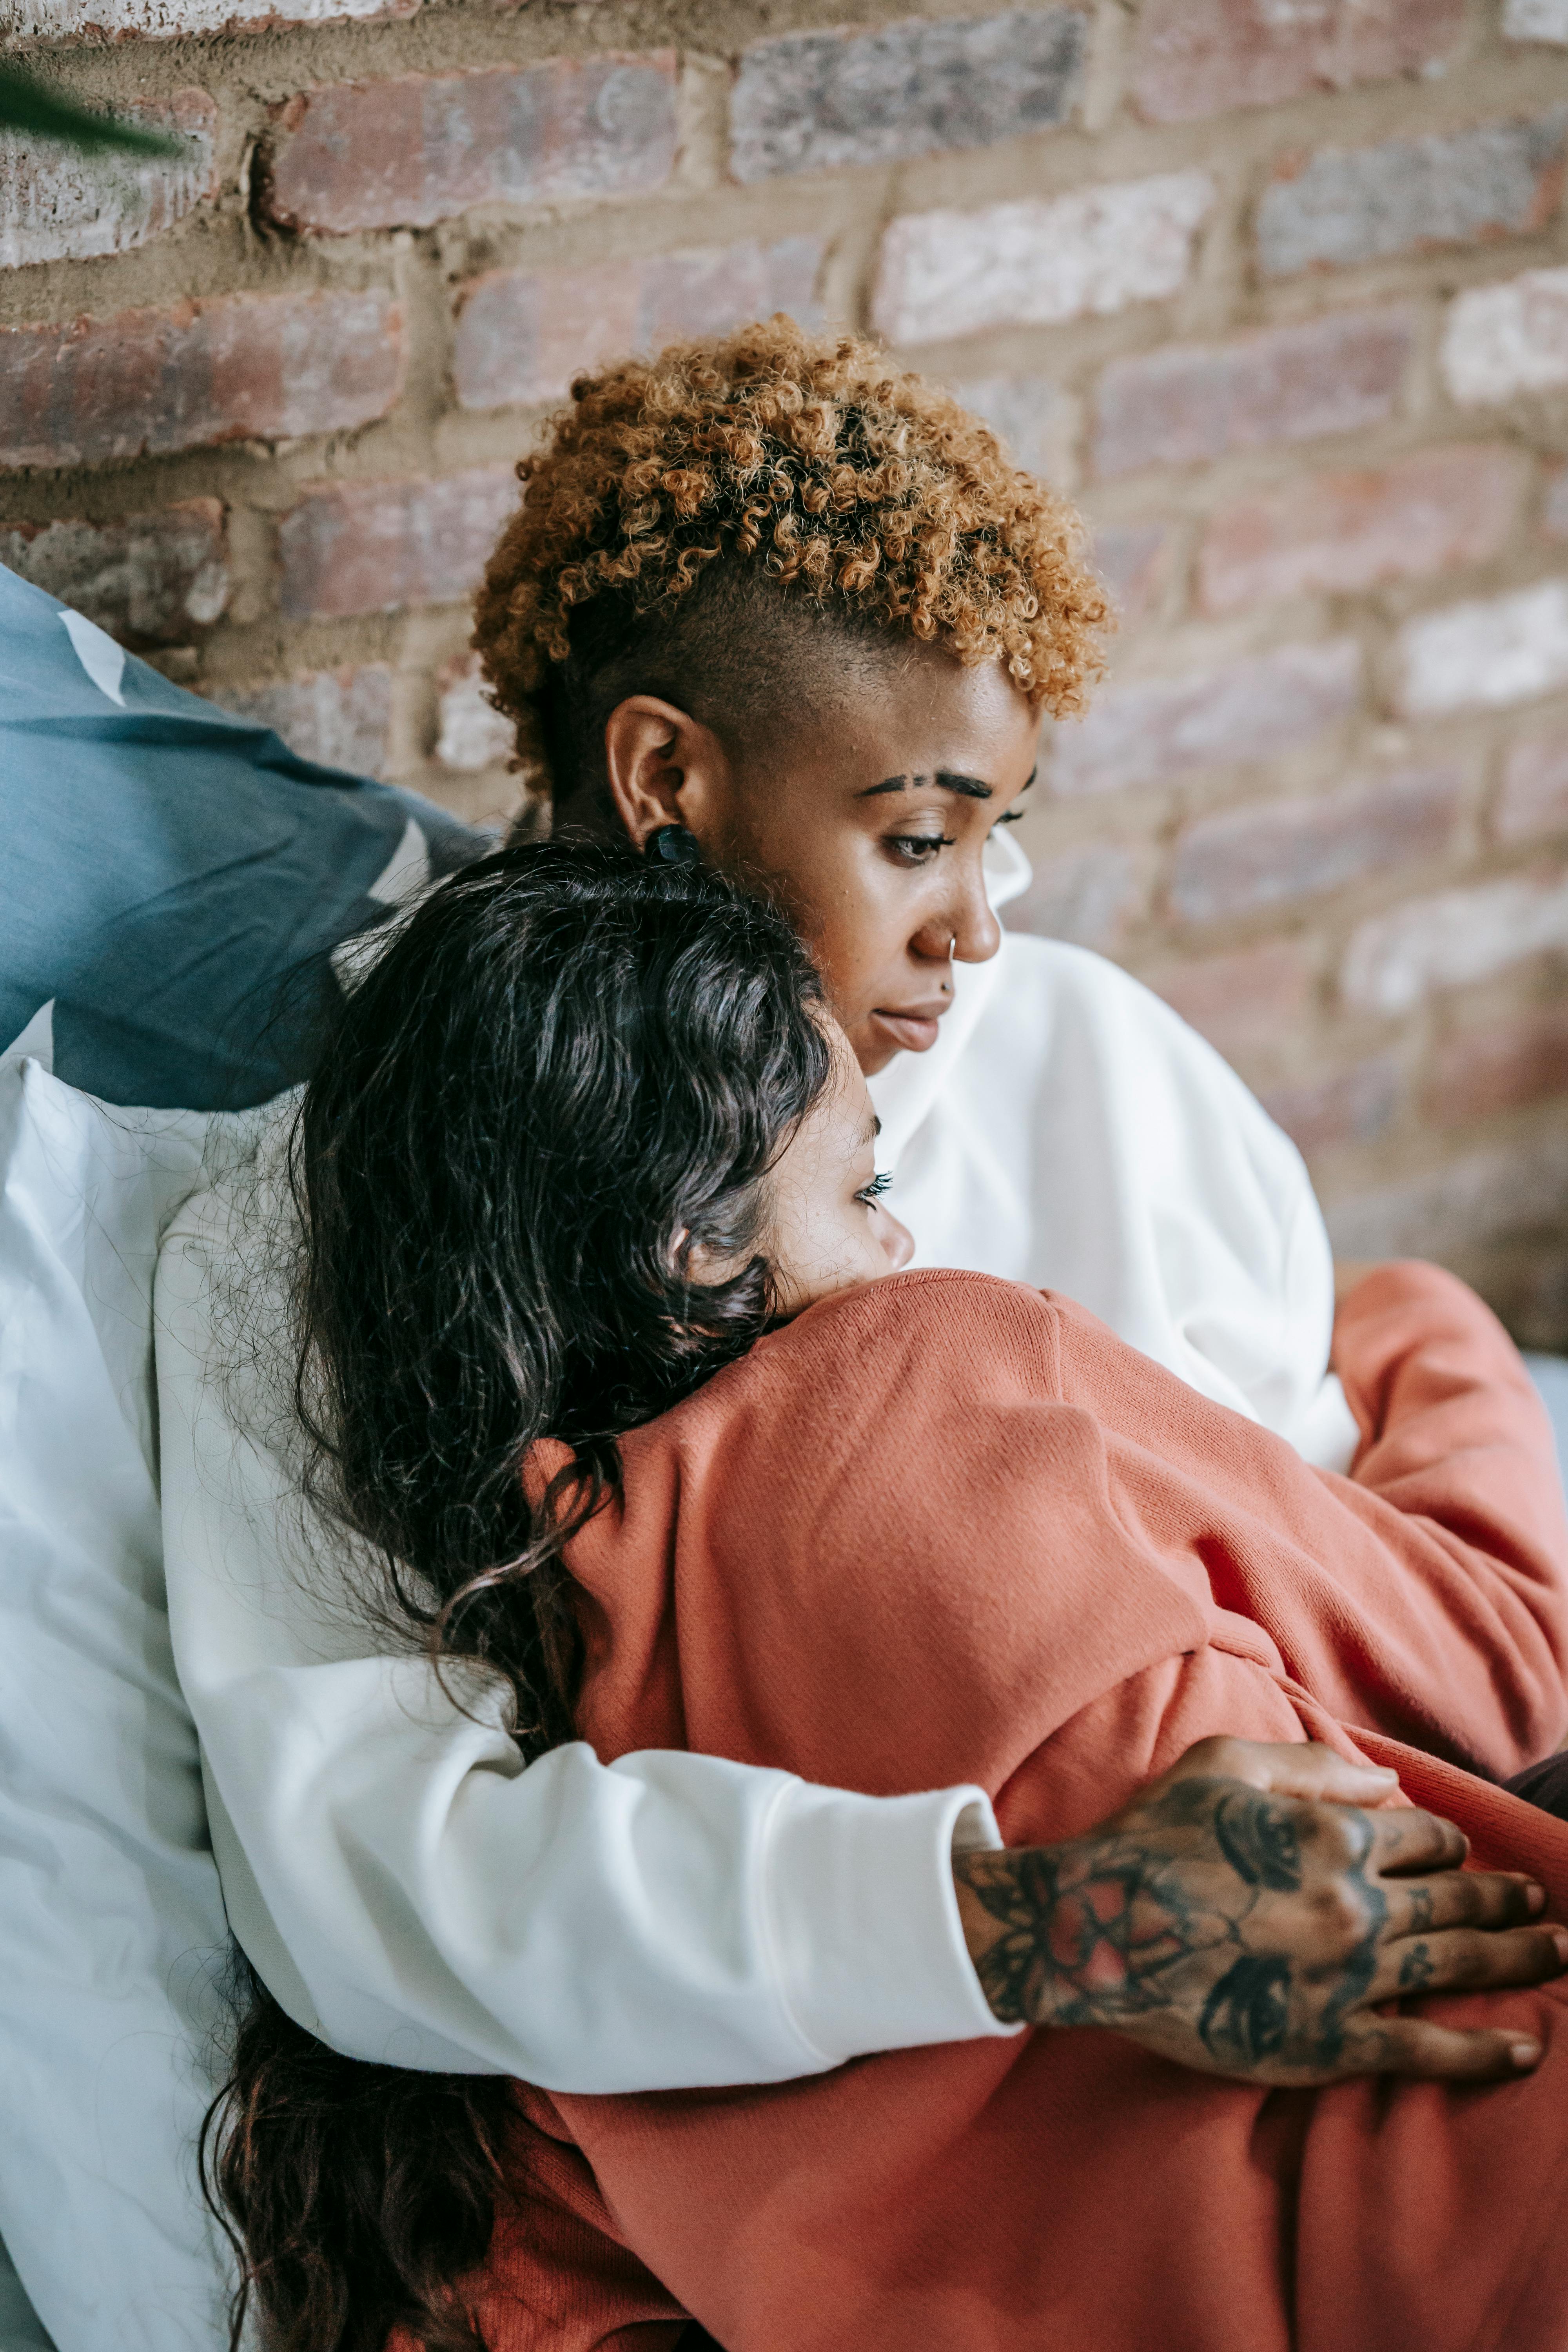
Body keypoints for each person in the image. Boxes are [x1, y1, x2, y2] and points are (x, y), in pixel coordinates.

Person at [158, 322, 1538, 2174]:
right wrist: (1050, 1924)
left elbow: (1365, 1614)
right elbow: (388, 1884)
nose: (979, 934)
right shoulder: (347, 1214)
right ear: (666, 779)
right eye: (913, 841)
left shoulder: (1092, 1061)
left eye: (1002, 843)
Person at [196, 843, 1568, 2352]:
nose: (905, 1244)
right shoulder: (940, 1370)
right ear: (694, 1249)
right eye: (869, 1183)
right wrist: (1425, 1325)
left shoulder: (543, 1989)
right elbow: (1506, 1672)